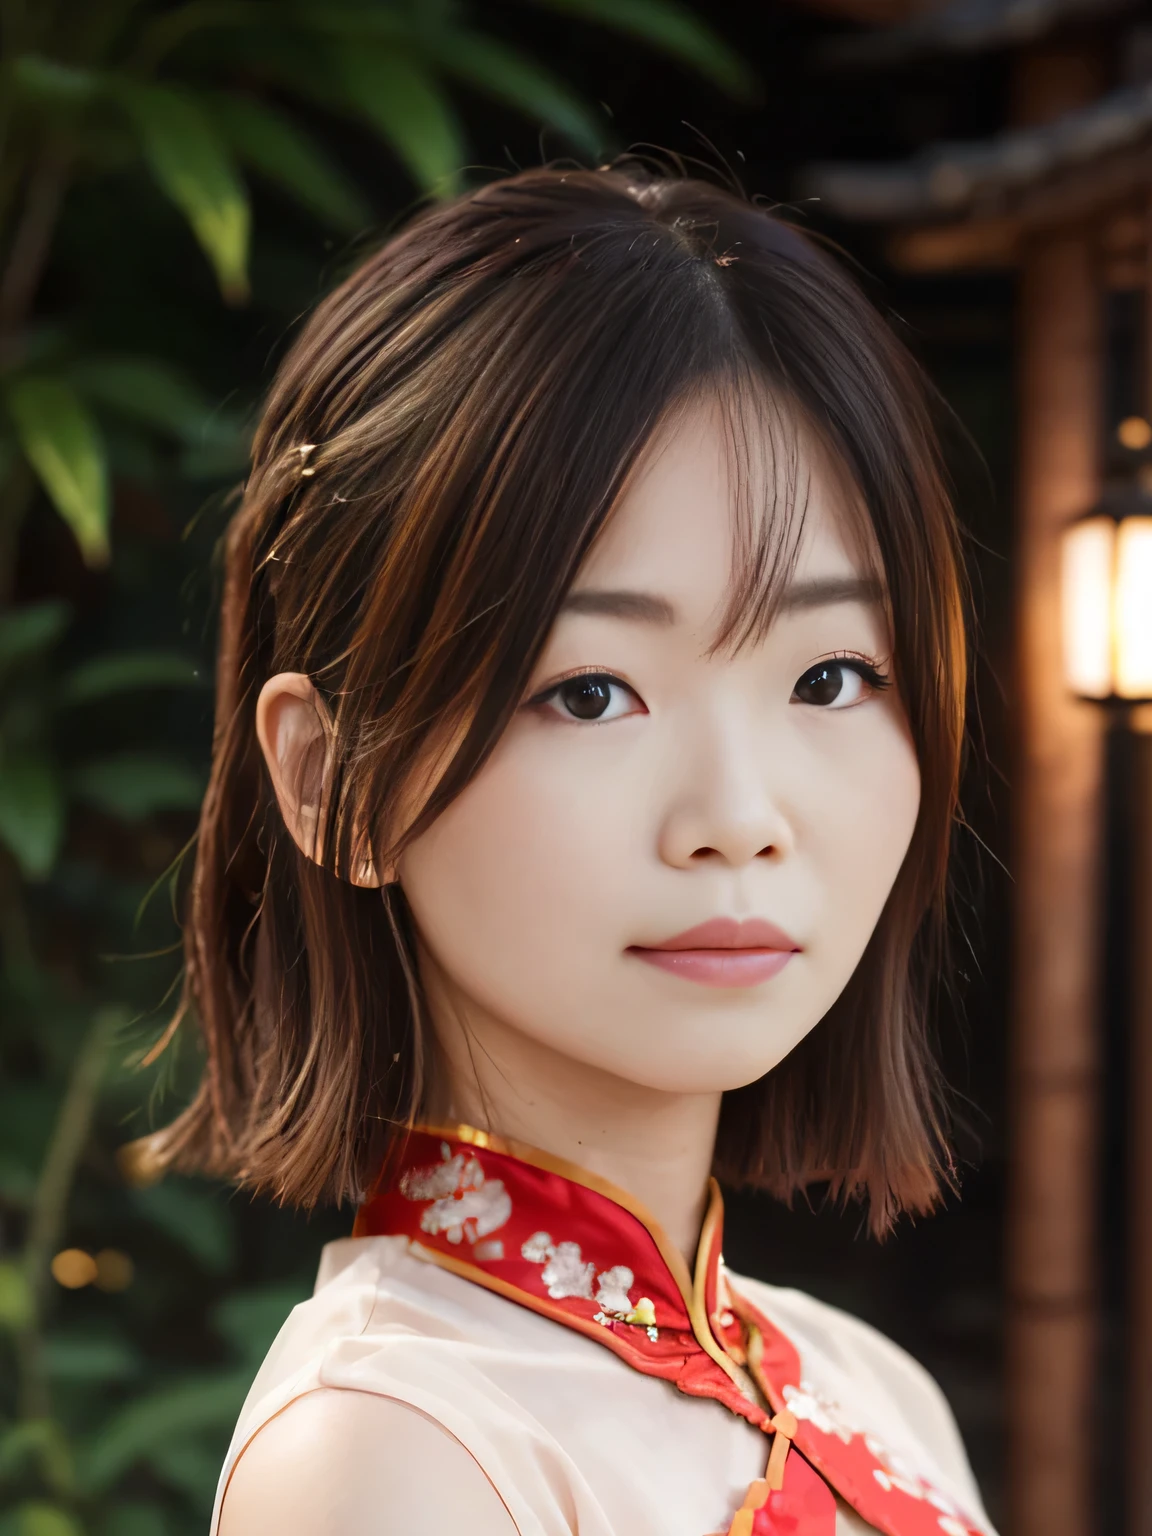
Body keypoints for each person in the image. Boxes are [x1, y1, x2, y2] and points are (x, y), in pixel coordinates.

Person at [139, 165, 993, 1536]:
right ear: (334, 779)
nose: (738, 813)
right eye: (591, 691)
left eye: (831, 676)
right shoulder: (391, 1456)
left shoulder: (873, 1393)